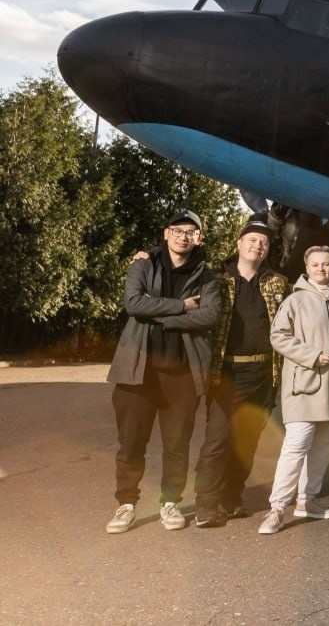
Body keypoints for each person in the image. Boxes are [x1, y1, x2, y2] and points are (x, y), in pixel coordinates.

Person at [106, 210, 222, 534]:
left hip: (183, 374)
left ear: (199, 238)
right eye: (178, 230)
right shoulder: (143, 264)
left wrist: (163, 317)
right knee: (131, 443)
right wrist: (182, 307)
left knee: (176, 444)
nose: (184, 236)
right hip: (137, 371)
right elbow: (133, 304)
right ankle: (126, 504)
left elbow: (210, 316)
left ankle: (169, 502)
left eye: (191, 232)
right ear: (166, 233)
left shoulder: (206, 276)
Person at [258, 246, 329, 534]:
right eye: (316, 264)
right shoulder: (294, 301)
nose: (322, 269)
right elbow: (278, 336)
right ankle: (277, 508)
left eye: (327, 264)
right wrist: (311, 355)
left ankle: (308, 500)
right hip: (304, 388)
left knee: (324, 446)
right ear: (307, 268)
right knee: (295, 447)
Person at [191, 221, 290, 527]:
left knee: (247, 440)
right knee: (218, 438)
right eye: (251, 240)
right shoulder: (215, 279)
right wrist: (146, 256)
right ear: (238, 243)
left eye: (263, 242)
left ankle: (232, 498)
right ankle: (206, 504)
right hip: (227, 371)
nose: (257, 246)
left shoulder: (278, 283)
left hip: (263, 372)